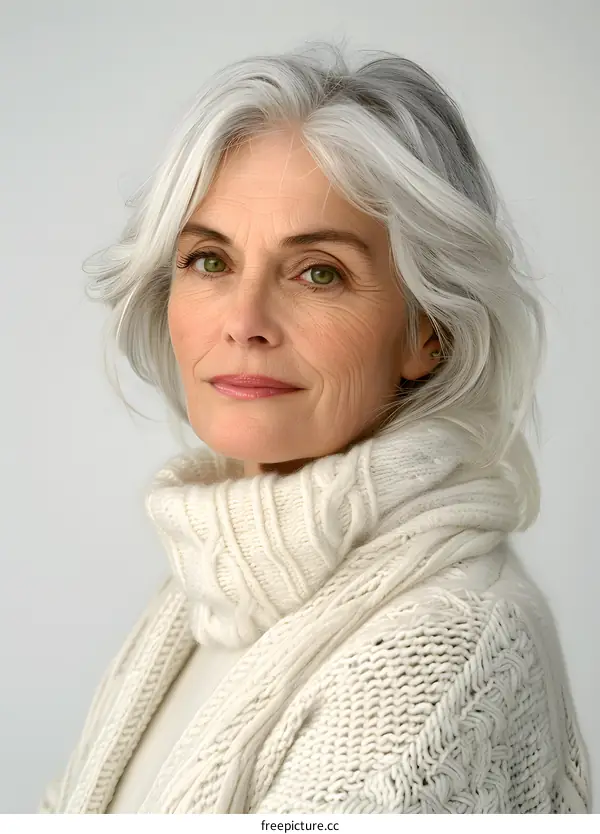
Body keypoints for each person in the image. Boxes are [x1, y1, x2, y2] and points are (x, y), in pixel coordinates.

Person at [39, 41, 590, 814]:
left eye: (318, 272)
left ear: (429, 329)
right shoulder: (219, 583)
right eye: (209, 260)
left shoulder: (438, 649)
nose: (245, 321)